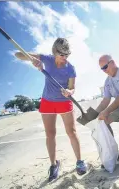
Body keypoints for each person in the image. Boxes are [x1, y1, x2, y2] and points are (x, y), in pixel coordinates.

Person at [14, 38, 87, 181]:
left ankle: (79, 161)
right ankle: (54, 165)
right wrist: (32, 60)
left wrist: (69, 92)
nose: (65, 58)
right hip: (47, 102)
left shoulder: (70, 68)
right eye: (62, 54)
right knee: (50, 134)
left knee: (71, 132)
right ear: (54, 52)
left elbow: (72, 88)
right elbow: (18, 55)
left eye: (67, 54)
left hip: (64, 102)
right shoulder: (47, 59)